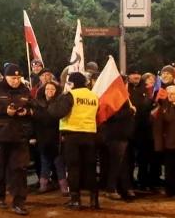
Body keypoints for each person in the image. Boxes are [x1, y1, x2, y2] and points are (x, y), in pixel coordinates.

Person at [0, 64, 34, 215]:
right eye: (13, 78)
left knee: (19, 169)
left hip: (19, 136)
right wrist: (4, 110)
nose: (16, 81)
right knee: (0, 168)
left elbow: (34, 106)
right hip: (0, 136)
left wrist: (27, 112)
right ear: (5, 77)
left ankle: (19, 202)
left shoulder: (25, 90)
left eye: (18, 78)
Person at [50, 72, 99, 210]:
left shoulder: (70, 95)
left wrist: (57, 100)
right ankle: (94, 200)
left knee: (73, 167)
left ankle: (75, 199)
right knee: (90, 168)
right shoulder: (93, 96)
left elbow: (56, 113)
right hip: (90, 134)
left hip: (73, 135)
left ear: (72, 83)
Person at [99, 93, 135, 202]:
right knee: (116, 163)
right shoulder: (112, 98)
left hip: (123, 135)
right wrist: (131, 111)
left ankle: (125, 187)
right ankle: (111, 189)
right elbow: (111, 115)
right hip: (115, 136)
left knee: (123, 163)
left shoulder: (122, 97)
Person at [32, 79, 66, 194]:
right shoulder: (38, 104)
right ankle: (43, 186)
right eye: (47, 89)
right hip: (43, 137)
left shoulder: (59, 104)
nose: (49, 91)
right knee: (44, 162)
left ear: (56, 91)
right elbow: (35, 121)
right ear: (44, 90)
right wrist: (33, 136)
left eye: (52, 89)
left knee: (59, 163)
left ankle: (64, 188)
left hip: (56, 138)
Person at [127, 69, 157, 190]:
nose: (136, 76)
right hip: (129, 129)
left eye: (138, 74)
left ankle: (143, 181)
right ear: (129, 76)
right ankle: (129, 181)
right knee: (129, 158)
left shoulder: (146, 89)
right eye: (133, 74)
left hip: (143, 129)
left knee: (143, 158)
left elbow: (149, 106)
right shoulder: (124, 88)